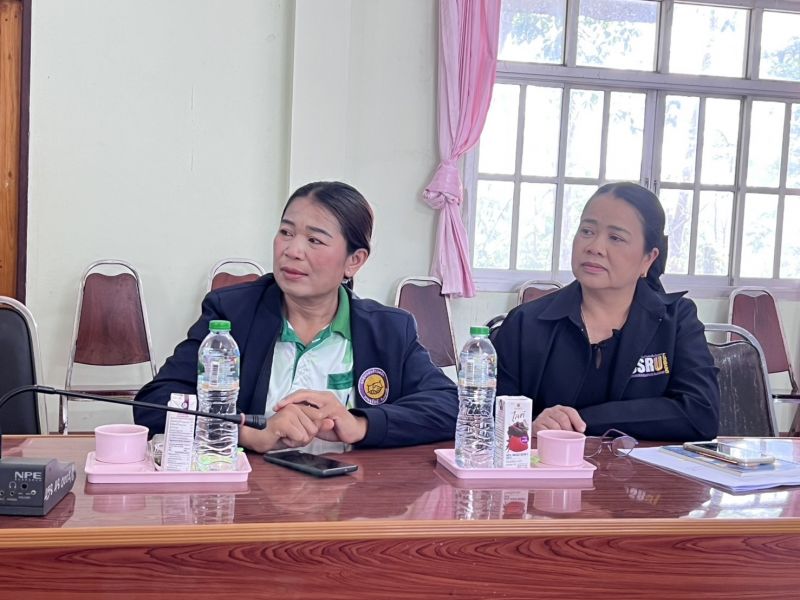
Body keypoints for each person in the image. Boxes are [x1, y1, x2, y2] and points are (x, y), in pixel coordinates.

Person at [134, 181, 458, 453]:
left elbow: (449, 406)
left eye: (314, 240)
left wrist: (360, 423)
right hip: (250, 497)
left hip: (351, 499)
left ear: (354, 261)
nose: (292, 250)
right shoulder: (232, 313)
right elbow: (154, 403)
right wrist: (245, 434)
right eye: (286, 232)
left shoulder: (388, 330)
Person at [493, 182, 720, 441]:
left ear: (648, 258)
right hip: (549, 465)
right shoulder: (526, 323)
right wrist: (529, 427)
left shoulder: (676, 320)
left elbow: (700, 414)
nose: (595, 247)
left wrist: (582, 420)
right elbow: (492, 417)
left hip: (642, 468)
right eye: (587, 231)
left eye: (616, 238)